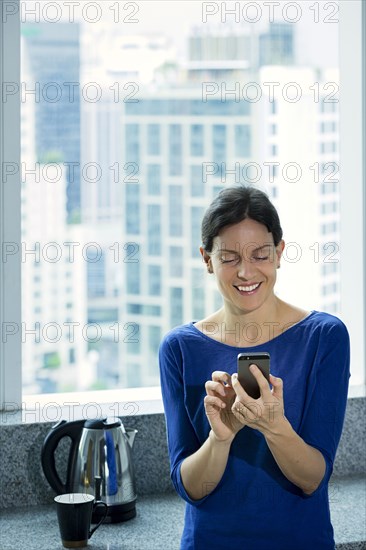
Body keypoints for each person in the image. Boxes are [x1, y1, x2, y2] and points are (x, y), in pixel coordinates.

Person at [158, 185, 350, 550]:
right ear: (207, 259)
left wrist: (274, 427)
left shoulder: (325, 337)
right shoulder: (179, 348)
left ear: (279, 253)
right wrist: (221, 436)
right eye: (229, 257)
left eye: (260, 254)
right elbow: (192, 489)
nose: (246, 272)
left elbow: (312, 479)